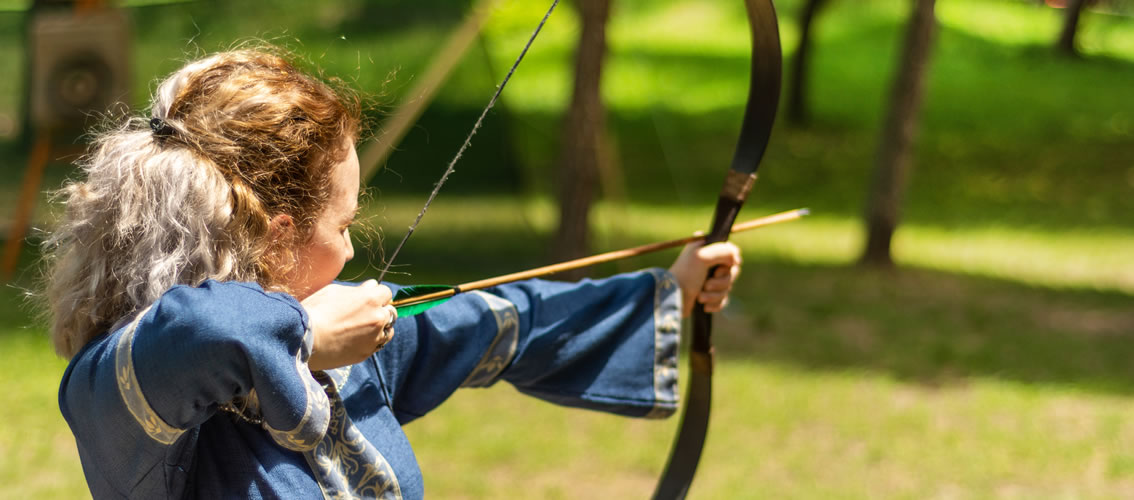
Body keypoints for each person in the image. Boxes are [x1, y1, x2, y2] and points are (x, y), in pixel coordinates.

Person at [43, 48, 742, 499]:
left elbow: (506, 319)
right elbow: (203, 329)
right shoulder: (125, 401)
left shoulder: (350, 351)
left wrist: (672, 290)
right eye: (342, 227)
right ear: (277, 237)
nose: (350, 255)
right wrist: (304, 337)